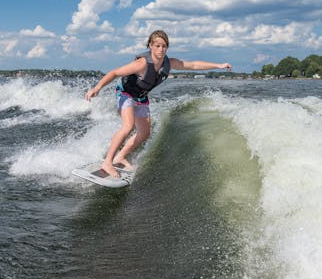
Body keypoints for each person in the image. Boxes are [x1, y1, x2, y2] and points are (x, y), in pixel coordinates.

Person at [85, 30, 232, 178]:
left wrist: (218, 65)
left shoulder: (169, 63)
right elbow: (115, 73)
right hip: (126, 93)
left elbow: (193, 65)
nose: (161, 49)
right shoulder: (142, 63)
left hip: (141, 98)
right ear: (150, 46)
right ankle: (108, 162)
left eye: (164, 46)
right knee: (128, 126)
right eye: (157, 46)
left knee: (144, 133)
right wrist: (97, 88)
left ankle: (120, 156)